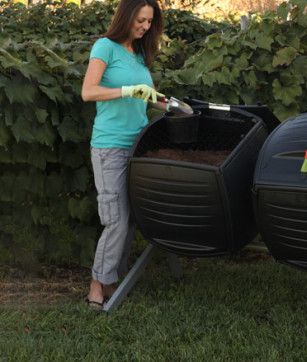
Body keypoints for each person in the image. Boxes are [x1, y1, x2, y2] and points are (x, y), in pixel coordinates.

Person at [81, 0, 168, 309]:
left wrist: (172, 105)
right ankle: (96, 284)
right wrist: (127, 91)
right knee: (115, 219)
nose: (145, 27)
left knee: (130, 219)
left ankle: (111, 278)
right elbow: (88, 92)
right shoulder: (105, 47)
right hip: (111, 146)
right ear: (127, 16)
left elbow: (150, 96)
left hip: (137, 145)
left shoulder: (139, 55)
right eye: (140, 20)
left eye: (149, 22)